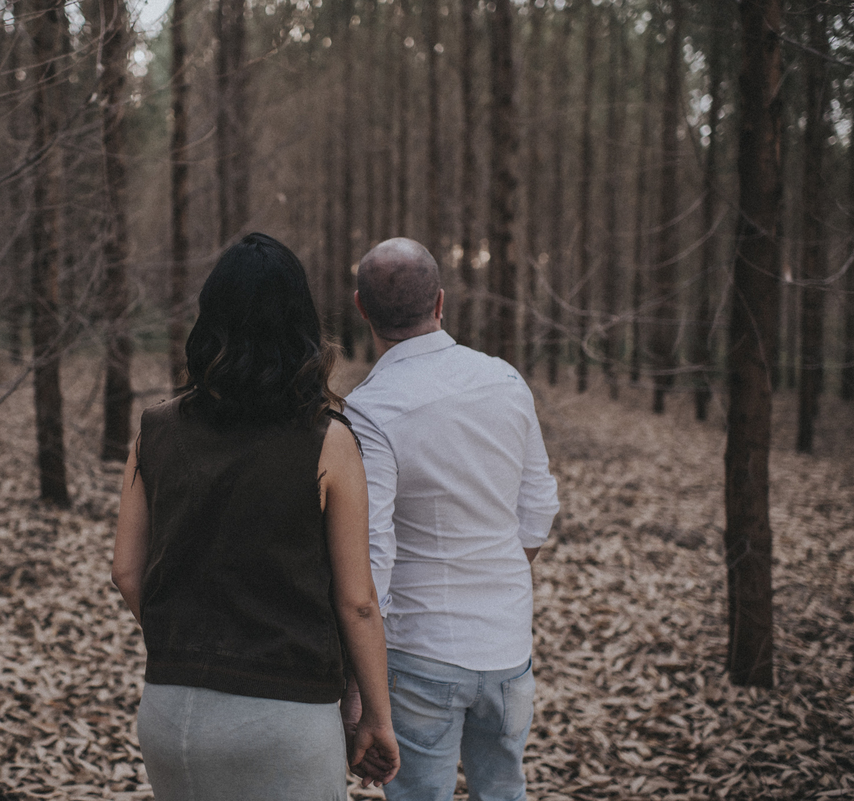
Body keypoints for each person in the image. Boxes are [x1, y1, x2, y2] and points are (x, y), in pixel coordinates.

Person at [112, 232, 400, 800]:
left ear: (209, 321)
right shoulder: (328, 440)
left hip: (170, 715)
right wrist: (377, 718)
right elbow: (358, 600)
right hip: (284, 718)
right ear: (301, 328)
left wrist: (187, 642)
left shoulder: (156, 427)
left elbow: (125, 570)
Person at [343, 238, 559, 801]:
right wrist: (493, 572)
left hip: (420, 651)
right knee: (504, 791)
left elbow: (373, 552)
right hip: (508, 645)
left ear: (361, 308)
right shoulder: (505, 381)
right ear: (441, 302)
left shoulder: (369, 408)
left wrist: (358, 680)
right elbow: (538, 508)